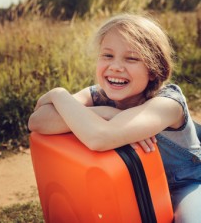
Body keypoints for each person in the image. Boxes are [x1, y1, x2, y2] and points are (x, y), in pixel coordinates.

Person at [28, 13, 201, 223]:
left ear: (154, 70)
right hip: (137, 185)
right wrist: (105, 112)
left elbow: (100, 138)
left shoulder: (168, 103)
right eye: (108, 56)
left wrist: (59, 97)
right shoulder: (99, 95)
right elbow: (37, 121)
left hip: (186, 184)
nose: (116, 66)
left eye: (132, 58)